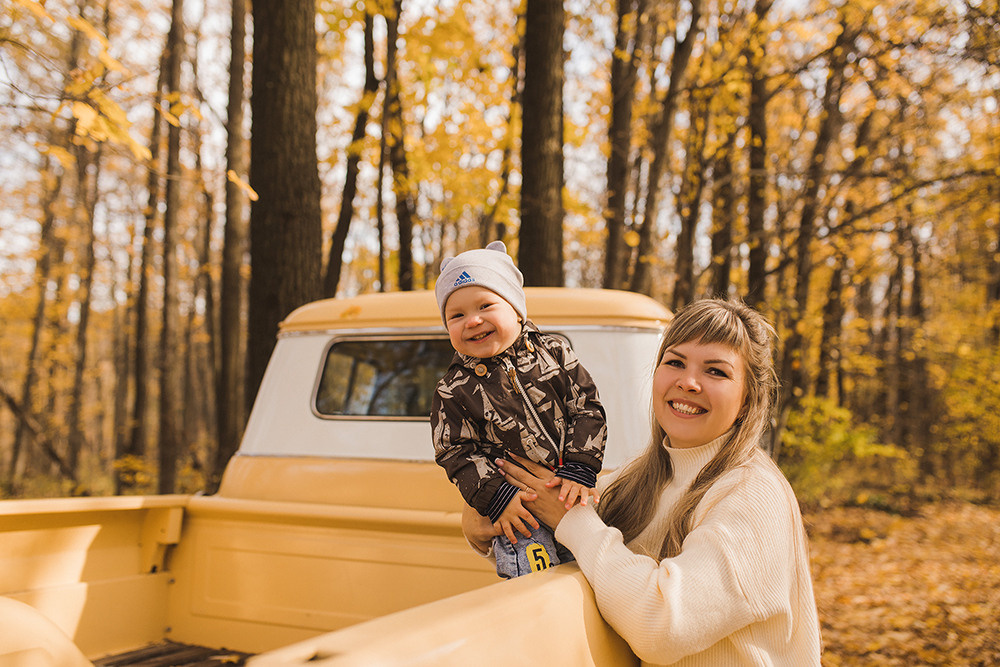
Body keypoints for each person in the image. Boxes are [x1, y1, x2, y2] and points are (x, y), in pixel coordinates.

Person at [465, 298, 823, 665]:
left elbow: (663, 626)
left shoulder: (752, 495)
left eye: (716, 371)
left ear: (748, 399)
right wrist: (491, 517)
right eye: (675, 362)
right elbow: (580, 547)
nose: (688, 382)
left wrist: (569, 518)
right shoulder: (641, 475)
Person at [431, 241, 607, 579]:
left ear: (516, 309)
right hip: (516, 508)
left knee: (585, 573)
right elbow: (455, 451)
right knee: (534, 579)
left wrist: (580, 468)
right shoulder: (453, 390)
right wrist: (498, 496)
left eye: (485, 305)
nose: (473, 320)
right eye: (457, 315)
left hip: (569, 493)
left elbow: (586, 406)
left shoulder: (554, 353)